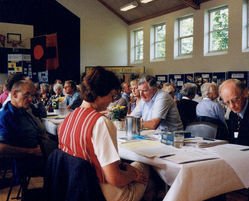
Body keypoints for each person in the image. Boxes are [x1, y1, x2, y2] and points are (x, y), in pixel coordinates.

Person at [58, 67, 150, 201]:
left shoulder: (68, 119)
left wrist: (124, 167)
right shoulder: (100, 122)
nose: (112, 101)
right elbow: (115, 178)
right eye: (112, 95)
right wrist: (134, 176)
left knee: (134, 167)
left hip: (76, 188)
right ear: (99, 93)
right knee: (147, 170)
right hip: (102, 193)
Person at [0, 80, 43, 156]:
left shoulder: (23, 109)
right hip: (25, 161)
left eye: (32, 96)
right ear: (14, 94)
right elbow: (1, 148)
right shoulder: (5, 116)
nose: (30, 99)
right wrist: (31, 151)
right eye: (27, 95)